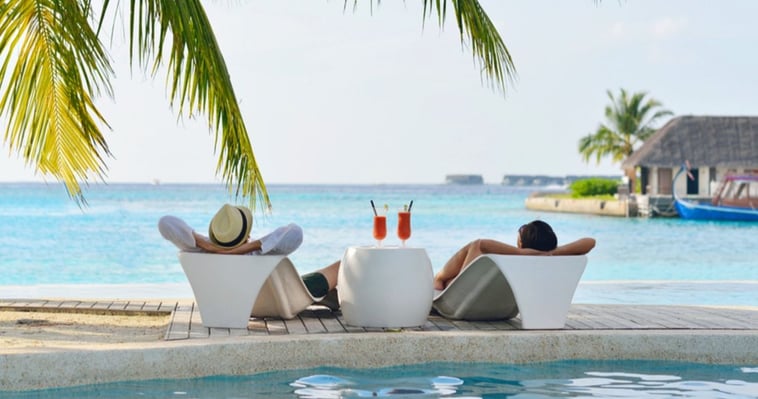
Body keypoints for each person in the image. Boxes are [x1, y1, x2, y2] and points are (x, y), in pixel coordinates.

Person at [158, 204, 339, 302]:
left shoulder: (200, 251)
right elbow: (295, 233)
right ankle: (325, 297)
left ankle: (327, 299)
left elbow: (166, 223)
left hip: (233, 306)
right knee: (343, 265)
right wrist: (249, 247)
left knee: (320, 287)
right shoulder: (258, 254)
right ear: (247, 234)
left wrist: (211, 247)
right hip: (282, 301)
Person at [432, 220, 596, 290]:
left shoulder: (516, 257)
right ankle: (440, 279)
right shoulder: (550, 259)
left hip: (462, 294)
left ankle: (439, 278)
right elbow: (590, 242)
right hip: (505, 309)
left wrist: (520, 252)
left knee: (471, 247)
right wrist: (552, 252)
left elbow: (480, 244)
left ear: (521, 244)